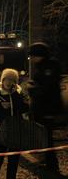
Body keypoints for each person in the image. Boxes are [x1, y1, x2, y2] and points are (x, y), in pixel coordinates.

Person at [27, 42, 63, 172]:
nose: (31, 59)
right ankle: (48, 162)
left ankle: (52, 165)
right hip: (43, 108)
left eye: (33, 56)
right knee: (44, 136)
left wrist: (33, 89)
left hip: (47, 108)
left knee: (46, 136)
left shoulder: (48, 68)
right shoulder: (43, 67)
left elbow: (49, 89)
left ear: (39, 55)